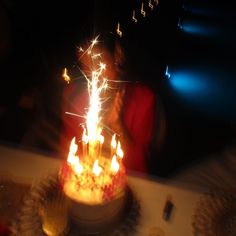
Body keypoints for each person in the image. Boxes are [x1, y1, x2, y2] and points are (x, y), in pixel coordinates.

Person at [60, 33, 164, 173]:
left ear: (118, 55)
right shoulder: (73, 96)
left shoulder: (143, 100)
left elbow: (139, 170)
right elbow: (68, 155)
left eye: (99, 64)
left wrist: (117, 126)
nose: (93, 76)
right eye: (85, 66)